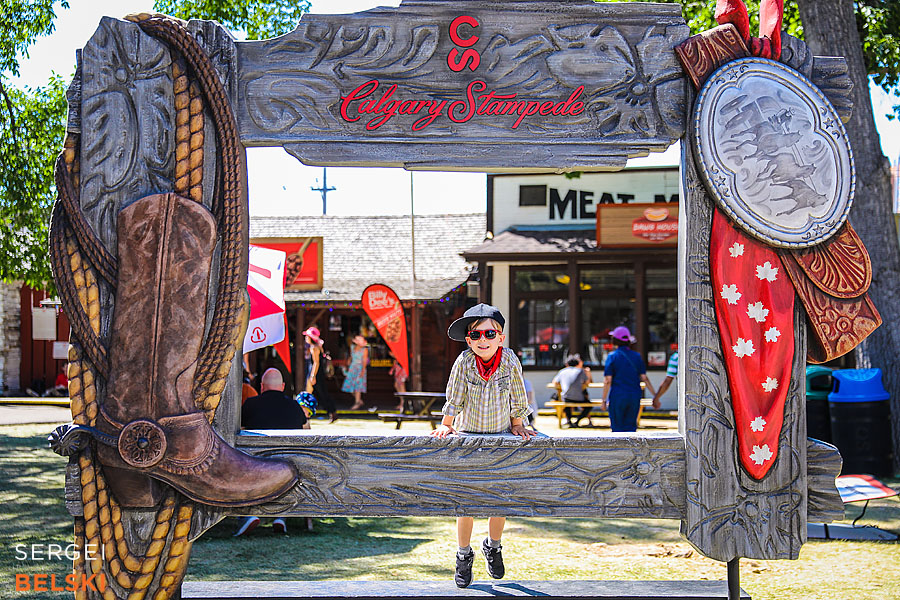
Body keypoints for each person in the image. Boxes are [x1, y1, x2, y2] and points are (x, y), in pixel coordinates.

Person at [430, 303, 536, 588]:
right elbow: (454, 396)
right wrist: (447, 424)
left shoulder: (510, 360)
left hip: (500, 436)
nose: (483, 341)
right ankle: (463, 555)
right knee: (466, 501)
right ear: (468, 340)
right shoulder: (464, 362)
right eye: (476, 336)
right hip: (468, 438)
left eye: (490, 334)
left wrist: (517, 424)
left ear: (501, 337)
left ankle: (494, 545)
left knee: (498, 499)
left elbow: (517, 395)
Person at [236, 367, 308, 536]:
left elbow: (238, 430)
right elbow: (305, 430)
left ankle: (248, 514)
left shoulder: (250, 405)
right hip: (287, 468)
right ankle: (280, 516)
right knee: (288, 468)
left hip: (255, 467)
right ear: (282, 386)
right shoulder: (295, 407)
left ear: (261, 386)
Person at [601, 326, 656, 432]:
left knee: (617, 428)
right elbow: (644, 378)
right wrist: (655, 396)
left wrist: (603, 399)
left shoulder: (612, 356)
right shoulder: (637, 356)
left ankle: (619, 449)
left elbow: (608, 380)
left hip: (618, 395)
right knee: (631, 428)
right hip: (634, 396)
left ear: (615, 339)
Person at [303, 326, 337, 423]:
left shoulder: (314, 348)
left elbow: (316, 362)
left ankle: (307, 414)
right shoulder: (318, 347)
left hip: (315, 373)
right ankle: (331, 411)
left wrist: (313, 376)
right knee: (318, 393)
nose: (305, 339)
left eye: (307, 337)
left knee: (317, 393)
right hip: (317, 373)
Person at [552, 353, 593, 427]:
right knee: (589, 406)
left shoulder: (562, 371)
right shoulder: (580, 371)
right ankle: (577, 421)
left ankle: (569, 421)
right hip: (579, 398)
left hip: (566, 397)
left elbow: (554, 382)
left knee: (566, 401)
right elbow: (587, 382)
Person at [341, 334, 370, 411]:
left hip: (360, 368)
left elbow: (364, 360)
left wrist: (363, 370)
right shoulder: (353, 347)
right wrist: (348, 362)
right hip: (352, 368)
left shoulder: (365, 350)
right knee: (350, 385)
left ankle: (357, 402)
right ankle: (359, 401)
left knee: (358, 386)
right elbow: (351, 357)